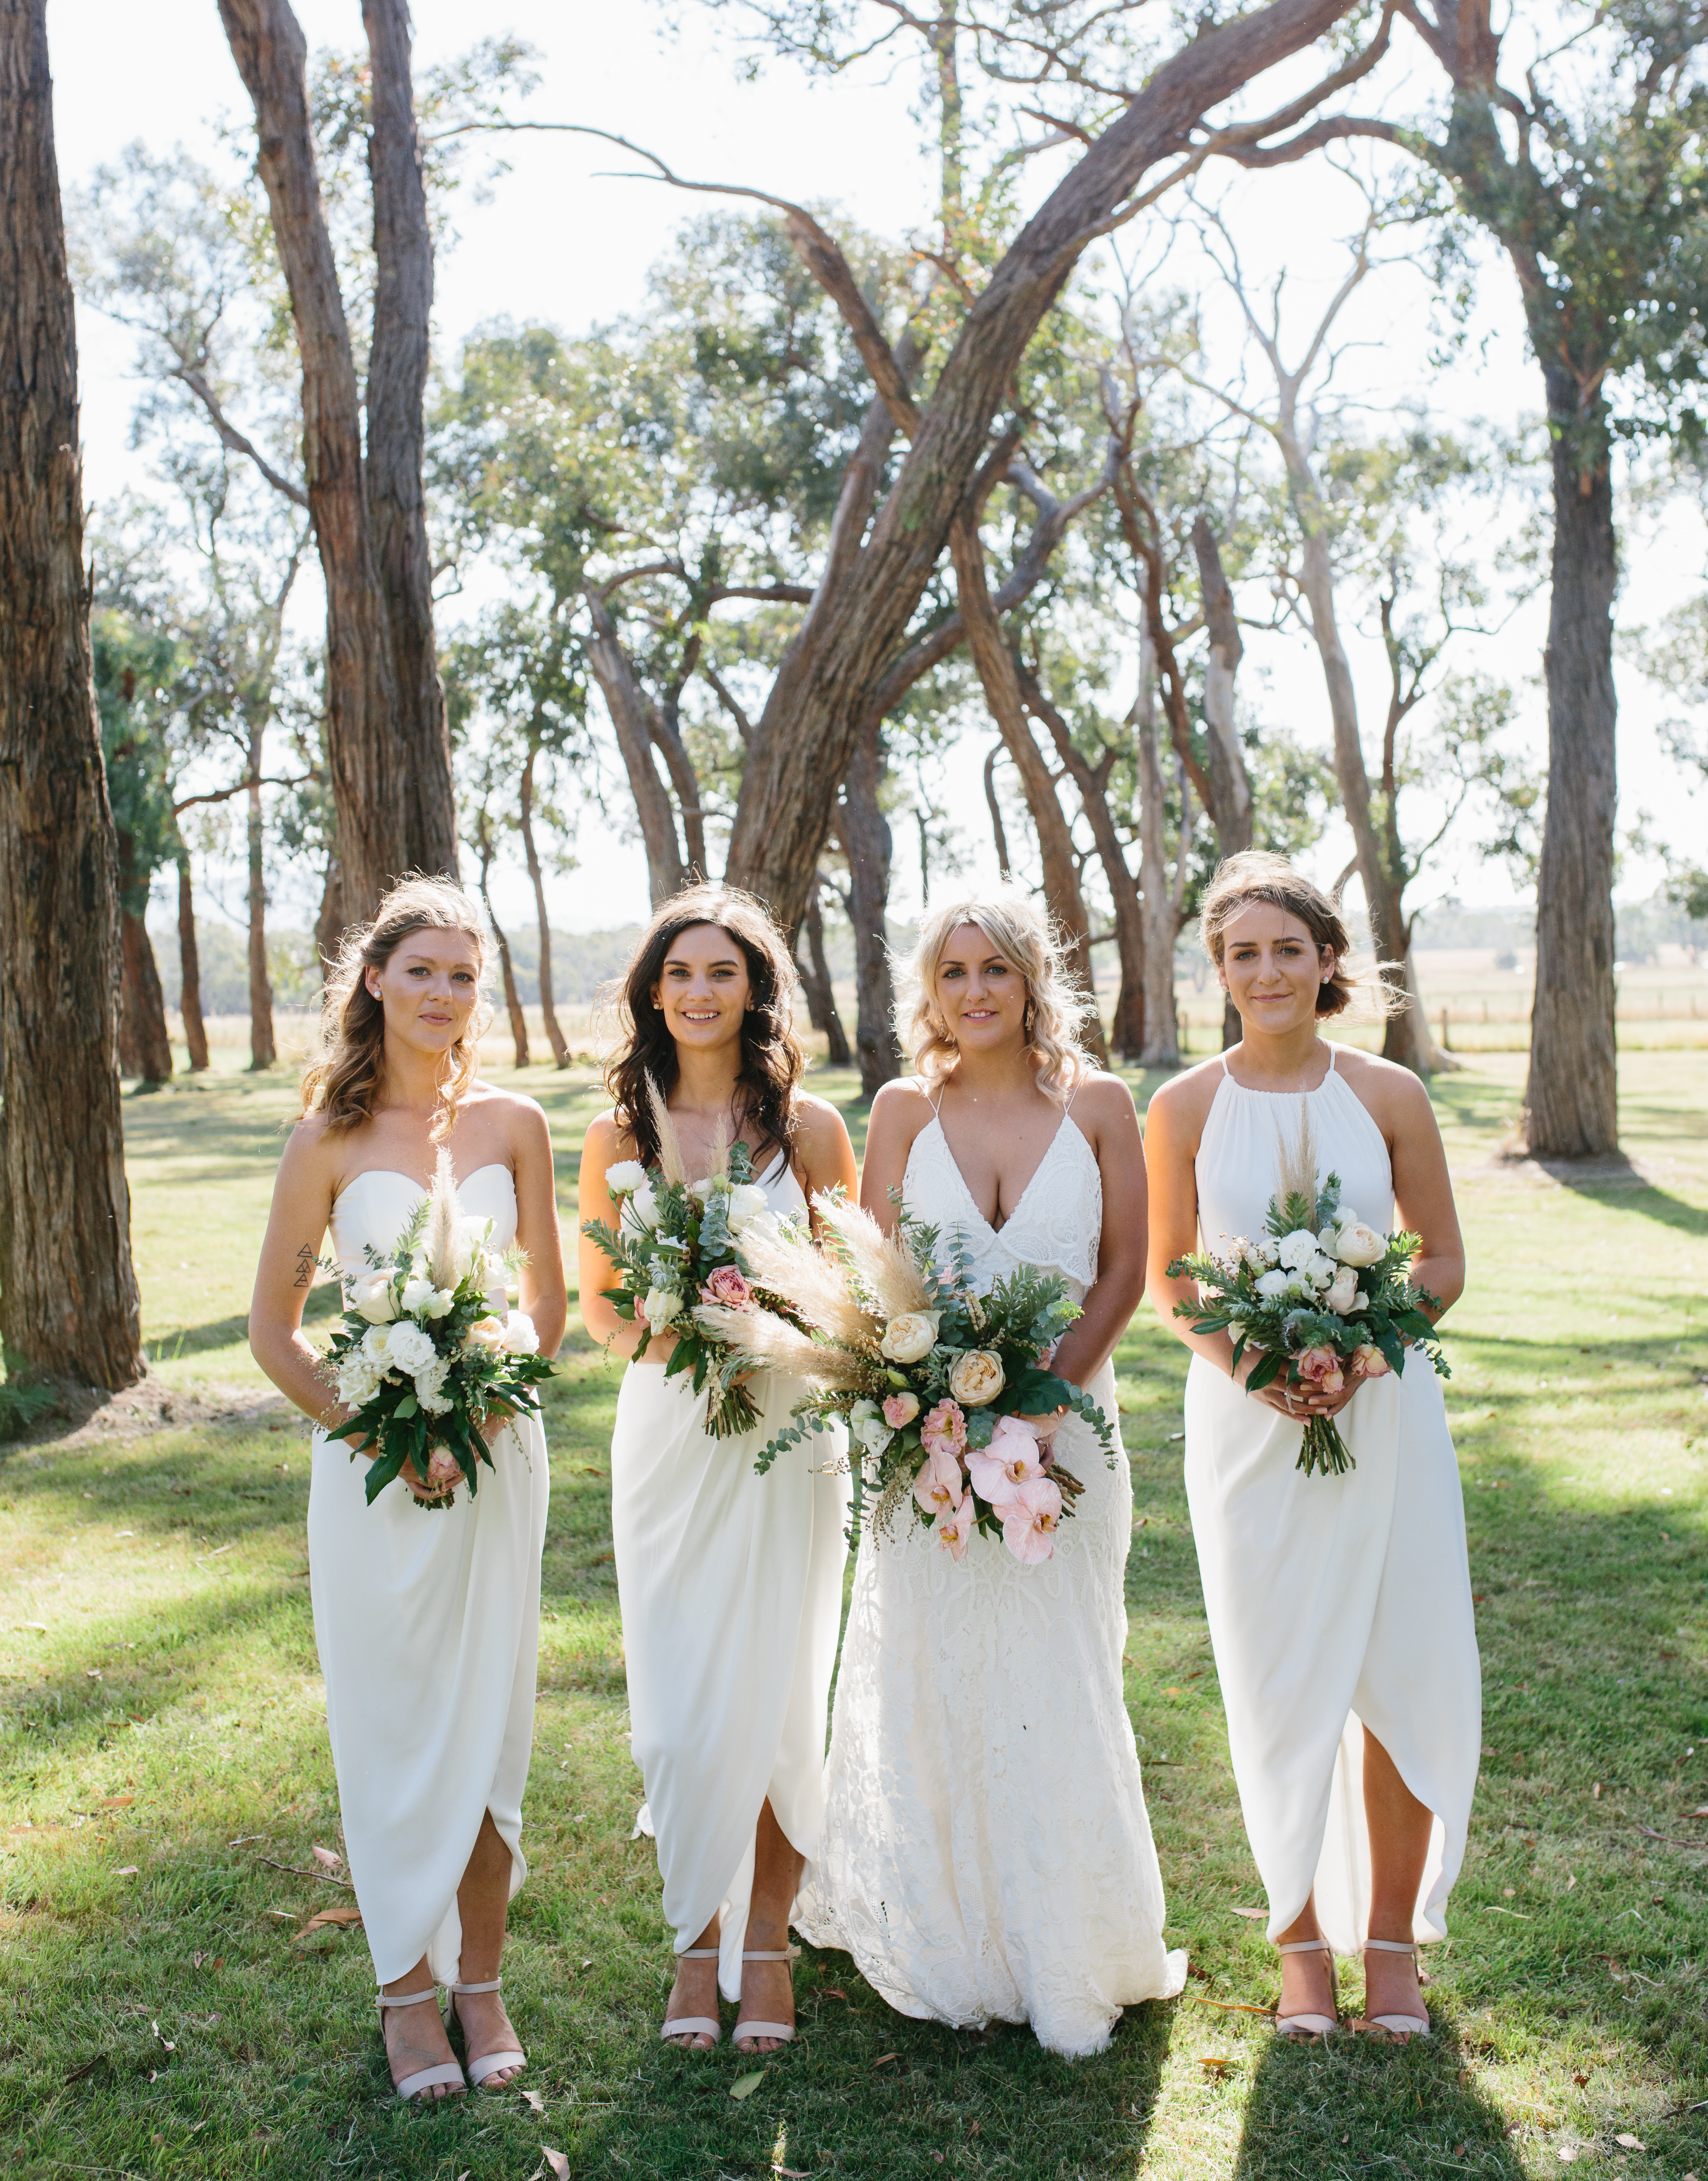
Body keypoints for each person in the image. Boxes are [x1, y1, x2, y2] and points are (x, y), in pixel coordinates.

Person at [796, 889, 1186, 2058]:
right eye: (953, 972)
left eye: (995, 971)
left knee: (1063, 1660)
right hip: (927, 1437)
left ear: (1031, 983)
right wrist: (932, 1415)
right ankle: (952, 1932)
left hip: (1071, 1428)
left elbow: (1125, 1268)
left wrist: (1052, 1396)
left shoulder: (1105, 1105)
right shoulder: (904, 1111)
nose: (975, 992)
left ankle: (1070, 1947)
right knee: (940, 1660)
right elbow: (873, 1286)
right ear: (932, 991)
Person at [1144, 852, 1480, 2042]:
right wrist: (1263, 1371)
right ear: (1219, 971)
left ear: (1328, 961)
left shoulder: (1388, 1094)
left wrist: (1366, 1354)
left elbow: (1438, 1260)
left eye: (1289, 948)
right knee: (1278, 1683)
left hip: (1384, 1414)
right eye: (1242, 952)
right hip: (1249, 1429)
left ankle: (1388, 1946)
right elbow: (1170, 1281)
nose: (1266, 970)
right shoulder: (1181, 1106)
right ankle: (1298, 1943)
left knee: (1390, 1670)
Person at [250, 877, 565, 2105]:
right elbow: (277, 1333)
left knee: (490, 1728)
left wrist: (483, 1411)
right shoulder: (322, 1142)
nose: (442, 995)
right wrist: (383, 1435)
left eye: (464, 977)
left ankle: (478, 1984)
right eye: (421, 970)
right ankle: (401, 1997)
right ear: (373, 979)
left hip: (498, 1463)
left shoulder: (515, 1126)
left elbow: (543, 1306)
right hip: (374, 1479)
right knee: (392, 1732)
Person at [579, 889, 856, 2056]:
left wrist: (777, 1325)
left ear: (754, 991)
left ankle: (768, 1947)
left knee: (785, 1697)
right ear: (652, 992)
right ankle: (696, 1946)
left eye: (722, 974)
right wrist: (678, 1322)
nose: (699, 992)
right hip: (670, 1439)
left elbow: (861, 1303)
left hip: (790, 1439)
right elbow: (598, 1314)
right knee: (684, 1714)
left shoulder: (813, 1132)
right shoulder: (613, 1140)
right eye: (679, 973)